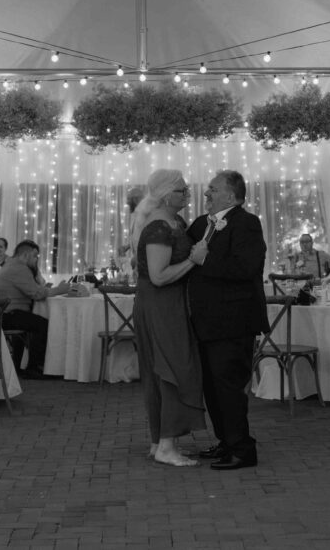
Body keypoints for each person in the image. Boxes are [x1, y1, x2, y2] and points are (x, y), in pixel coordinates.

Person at [186, 170, 269, 471]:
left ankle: (242, 449)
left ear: (231, 196)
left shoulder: (247, 223)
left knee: (230, 388)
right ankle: (226, 441)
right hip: (206, 322)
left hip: (234, 322)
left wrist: (206, 259)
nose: (206, 193)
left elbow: (247, 268)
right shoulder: (201, 224)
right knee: (212, 387)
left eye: (213, 189)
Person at [130, 170, 206, 467]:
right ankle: (165, 445)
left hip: (171, 304)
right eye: (181, 191)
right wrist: (193, 260)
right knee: (171, 369)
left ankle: (160, 441)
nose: (187, 194)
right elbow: (159, 276)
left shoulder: (176, 223)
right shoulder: (159, 227)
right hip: (159, 305)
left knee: (169, 368)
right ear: (165, 195)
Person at [0, 239, 70, 377]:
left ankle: (18, 366)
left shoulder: (10, 264)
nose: (36, 260)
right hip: (8, 314)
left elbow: (33, 289)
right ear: (26, 255)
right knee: (42, 324)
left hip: (0, 313)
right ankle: (33, 367)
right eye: (35, 256)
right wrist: (60, 290)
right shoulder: (19, 268)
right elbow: (37, 294)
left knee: (29, 321)